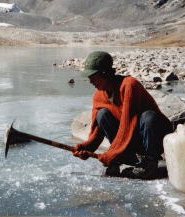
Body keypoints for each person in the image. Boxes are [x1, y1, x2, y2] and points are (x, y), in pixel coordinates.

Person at [72, 51, 173, 179]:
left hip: (151, 137)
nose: (90, 81)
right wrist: (86, 148)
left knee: (148, 117)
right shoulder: (98, 95)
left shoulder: (129, 85)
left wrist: (111, 153)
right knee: (102, 114)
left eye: (92, 76)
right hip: (130, 140)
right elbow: (97, 131)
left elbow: (128, 123)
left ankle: (150, 163)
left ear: (104, 73)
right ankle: (122, 158)